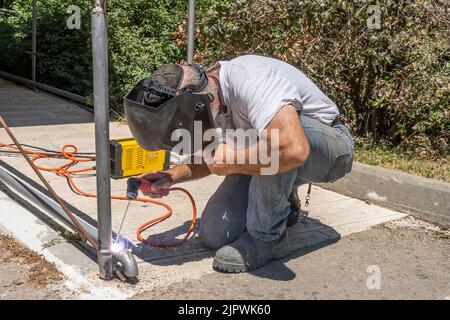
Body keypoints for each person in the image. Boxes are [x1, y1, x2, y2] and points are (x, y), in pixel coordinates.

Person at [125, 55, 354, 273]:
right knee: (215, 234)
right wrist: (172, 176)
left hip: (332, 148)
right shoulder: (209, 104)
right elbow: (211, 159)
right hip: (273, 152)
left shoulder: (253, 80)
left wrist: (232, 160)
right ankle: (283, 202)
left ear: (204, 100)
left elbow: (293, 148)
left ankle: (267, 238)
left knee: (273, 139)